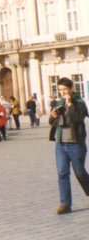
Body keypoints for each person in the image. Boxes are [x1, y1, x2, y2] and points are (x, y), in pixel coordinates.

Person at [49, 77, 89, 214]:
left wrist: (70, 104)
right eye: (60, 90)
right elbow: (52, 122)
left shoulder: (79, 103)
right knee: (62, 173)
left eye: (65, 89)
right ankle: (65, 203)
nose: (62, 93)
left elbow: (77, 119)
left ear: (71, 89)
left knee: (79, 172)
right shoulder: (59, 103)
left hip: (75, 143)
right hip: (61, 143)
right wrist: (53, 116)